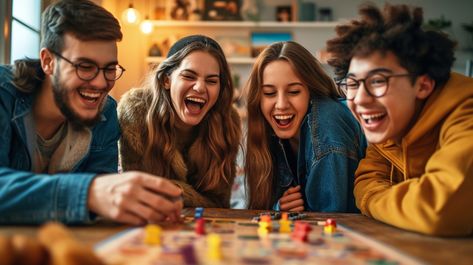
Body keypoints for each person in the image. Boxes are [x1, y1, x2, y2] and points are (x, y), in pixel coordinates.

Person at [0, 0, 182, 225]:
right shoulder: (3, 94)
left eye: (109, 69)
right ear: (48, 62)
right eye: (85, 67)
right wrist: (89, 193)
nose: (100, 83)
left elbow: (100, 206)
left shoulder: (105, 111)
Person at [326, 4, 473, 236]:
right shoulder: (390, 125)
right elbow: (365, 182)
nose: (360, 99)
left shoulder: (467, 109)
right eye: (352, 84)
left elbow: (439, 208)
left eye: (377, 81)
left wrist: (377, 198)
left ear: (423, 85)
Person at [118, 35, 241, 208]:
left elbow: (220, 205)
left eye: (212, 81)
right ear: (166, 80)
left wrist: (172, 189)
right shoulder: (135, 112)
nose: (200, 87)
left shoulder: (228, 122)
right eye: (189, 76)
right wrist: (185, 193)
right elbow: (139, 193)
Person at [244, 41, 366, 212]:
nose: (281, 104)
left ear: (311, 90)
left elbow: (330, 228)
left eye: (294, 91)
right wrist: (279, 208)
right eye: (269, 93)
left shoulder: (327, 127)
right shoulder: (267, 130)